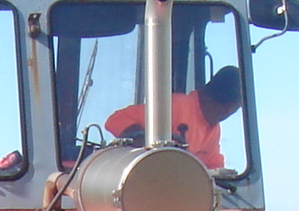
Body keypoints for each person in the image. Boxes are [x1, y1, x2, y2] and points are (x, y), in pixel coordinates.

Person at [102, 66, 243, 171]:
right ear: (207, 96)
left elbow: (214, 167)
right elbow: (116, 119)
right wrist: (146, 143)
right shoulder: (176, 106)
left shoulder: (213, 129)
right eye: (225, 107)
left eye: (234, 109)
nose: (227, 113)